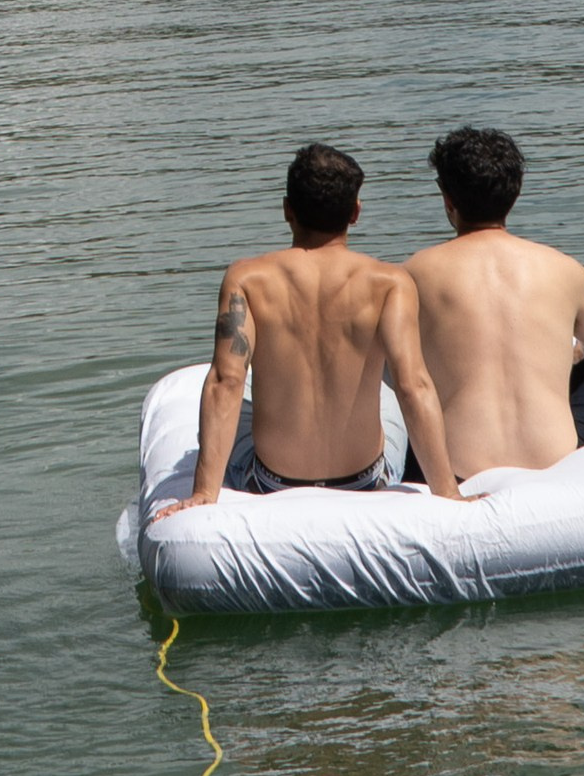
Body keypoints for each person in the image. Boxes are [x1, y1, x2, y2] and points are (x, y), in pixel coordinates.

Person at [152, 142, 463, 514]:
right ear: (355, 213)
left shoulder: (248, 279)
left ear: (287, 210)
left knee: (241, 402)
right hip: (363, 481)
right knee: (391, 393)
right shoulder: (390, 283)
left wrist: (204, 492)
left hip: (271, 483)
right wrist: (449, 494)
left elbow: (226, 382)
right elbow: (414, 385)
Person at [403, 124, 584, 486]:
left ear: (448, 200)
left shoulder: (413, 274)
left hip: (459, 471)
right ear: (514, 195)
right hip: (557, 462)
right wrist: (571, 354)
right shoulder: (563, 269)